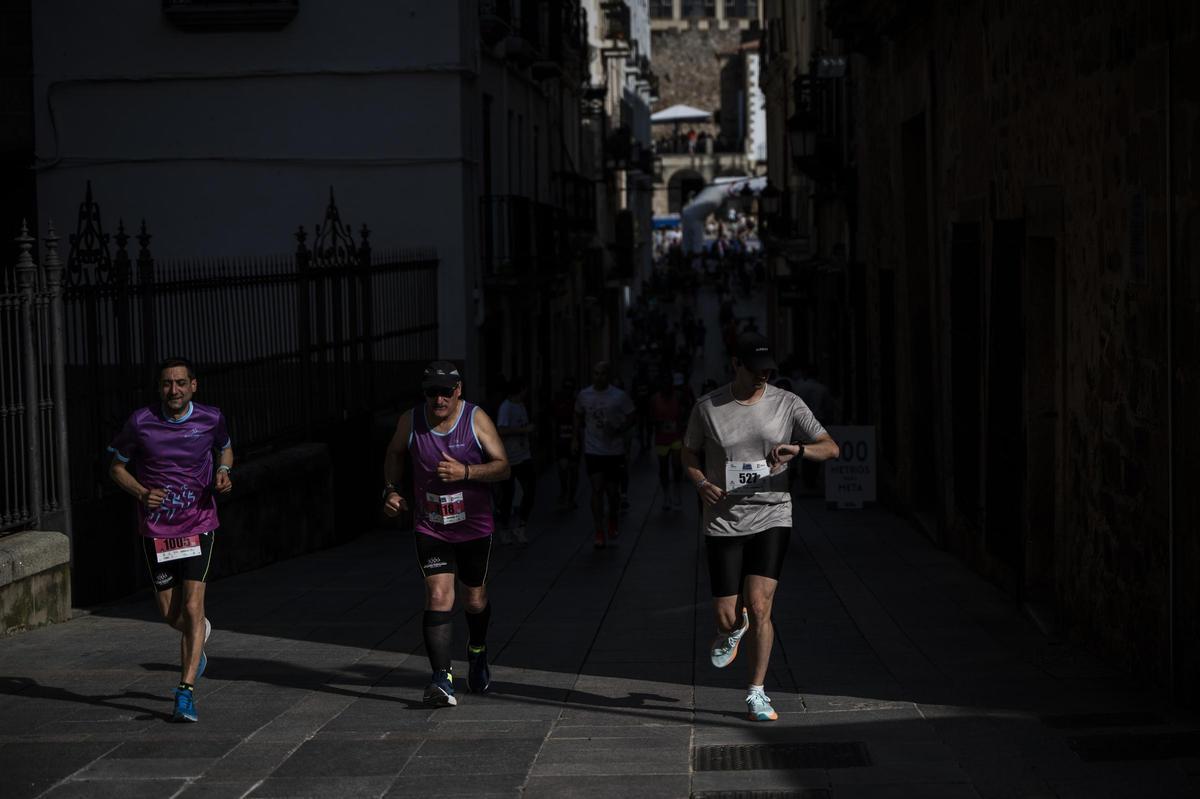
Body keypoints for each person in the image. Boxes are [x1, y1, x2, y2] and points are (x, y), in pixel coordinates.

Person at [682, 333, 839, 722]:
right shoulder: (708, 407)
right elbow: (688, 451)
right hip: (722, 520)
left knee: (761, 604)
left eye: (769, 371)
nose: (763, 378)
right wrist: (701, 483)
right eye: (756, 370)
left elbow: (830, 447)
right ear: (736, 364)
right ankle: (733, 628)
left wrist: (798, 450)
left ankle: (756, 691)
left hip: (772, 513)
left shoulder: (787, 403)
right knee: (725, 614)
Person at [108, 357, 233, 723]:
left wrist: (224, 470)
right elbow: (116, 467)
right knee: (170, 614)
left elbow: (225, 447)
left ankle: (185, 693)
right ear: (159, 387)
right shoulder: (141, 422)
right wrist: (141, 492)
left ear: (194, 385)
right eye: (166, 384)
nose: (173, 390)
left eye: (180, 383)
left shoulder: (211, 418)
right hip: (158, 530)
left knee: (193, 607)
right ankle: (198, 637)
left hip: (199, 522)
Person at [383, 361, 510, 707]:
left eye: (444, 392)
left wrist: (466, 471)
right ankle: (442, 679)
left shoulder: (475, 419)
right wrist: (391, 490)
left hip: (473, 527)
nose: (438, 399)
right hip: (431, 526)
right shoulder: (411, 421)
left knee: (474, 599)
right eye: (431, 392)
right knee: (439, 596)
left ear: (458, 391)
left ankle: (478, 651)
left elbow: (503, 466)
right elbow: (394, 453)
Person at [574, 361, 635, 548]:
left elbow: (632, 416)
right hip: (593, 450)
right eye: (595, 373)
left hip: (614, 451)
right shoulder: (584, 395)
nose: (598, 377)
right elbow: (577, 414)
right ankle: (599, 529)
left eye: (602, 373)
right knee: (597, 489)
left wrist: (620, 429)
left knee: (612, 492)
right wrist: (575, 439)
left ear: (608, 376)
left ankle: (613, 519)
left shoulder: (619, 396)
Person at [496, 376, 536, 545]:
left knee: (530, 490)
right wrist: (523, 430)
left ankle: (520, 525)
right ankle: (505, 527)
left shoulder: (520, 406)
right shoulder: (506, 408)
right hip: (510, 458)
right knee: (508, 493)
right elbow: (502, 430)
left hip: (524, 455)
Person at [651, 372, 685, 511]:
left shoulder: (678, 397)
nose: (666, 387)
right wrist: (657, 423)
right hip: (661, 438)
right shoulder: (654, 399)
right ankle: (666, 495)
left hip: (676, 436)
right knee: (663, 467)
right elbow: (650, 417)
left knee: (677, 465)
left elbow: (684, 413)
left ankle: (677, 488)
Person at [552, 376, 580, 510]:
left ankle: (571, 497)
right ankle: (564, 492)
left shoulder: (577, 403)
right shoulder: (558, 403)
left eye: (570, 388)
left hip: (573, 440)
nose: (568, 391)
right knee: (563, 469)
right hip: (562, 441)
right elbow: (554, 422)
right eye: (566, 388)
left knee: (573, 470)